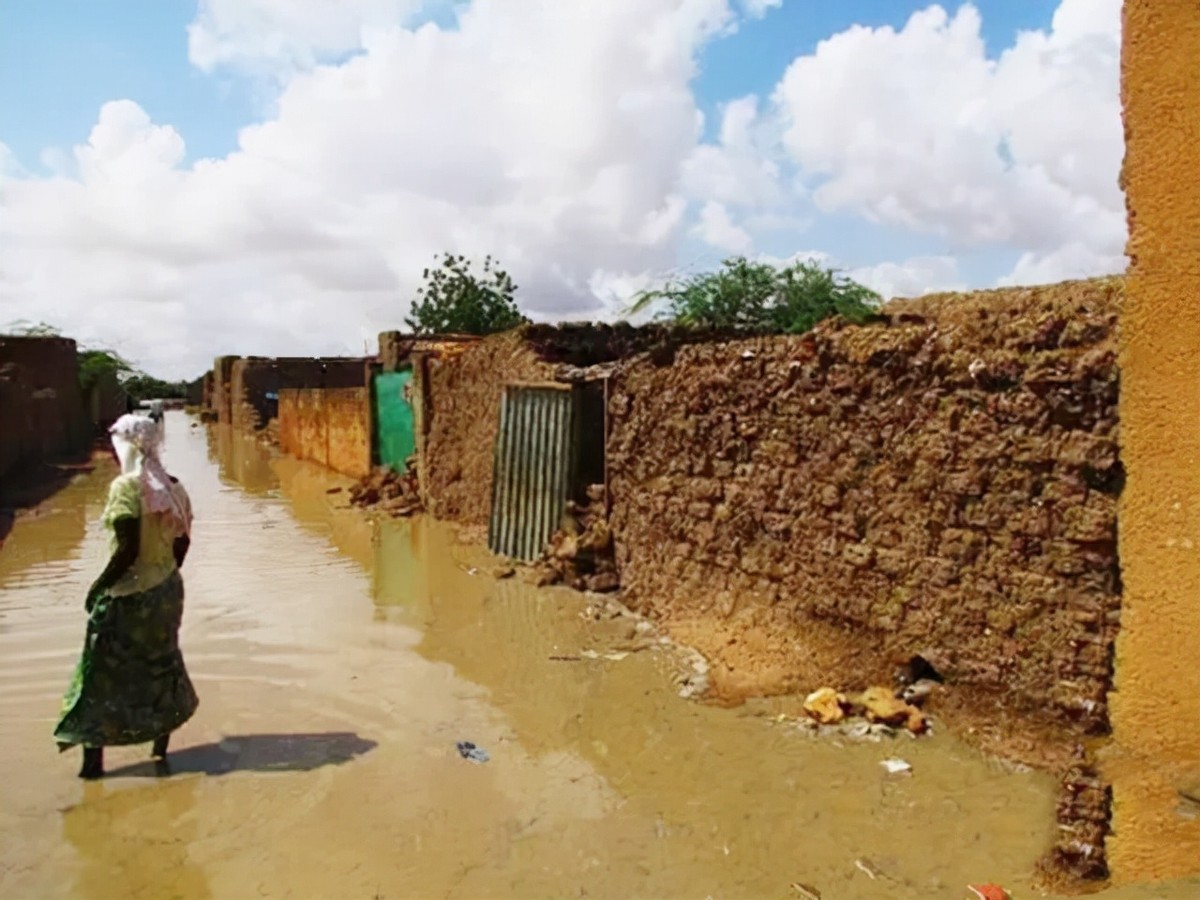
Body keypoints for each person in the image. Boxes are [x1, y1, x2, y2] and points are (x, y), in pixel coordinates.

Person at [54, 413, 198, 779]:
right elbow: (182, 541)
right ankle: (159, 752)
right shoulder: (175, 487)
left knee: (98, 675)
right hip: (166, 591)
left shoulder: (125, 488)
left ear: (127, 447)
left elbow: (127, 549)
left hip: (128, 595)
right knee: (160, 663)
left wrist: (98, 586)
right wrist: (164, 576)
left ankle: (92, 769)